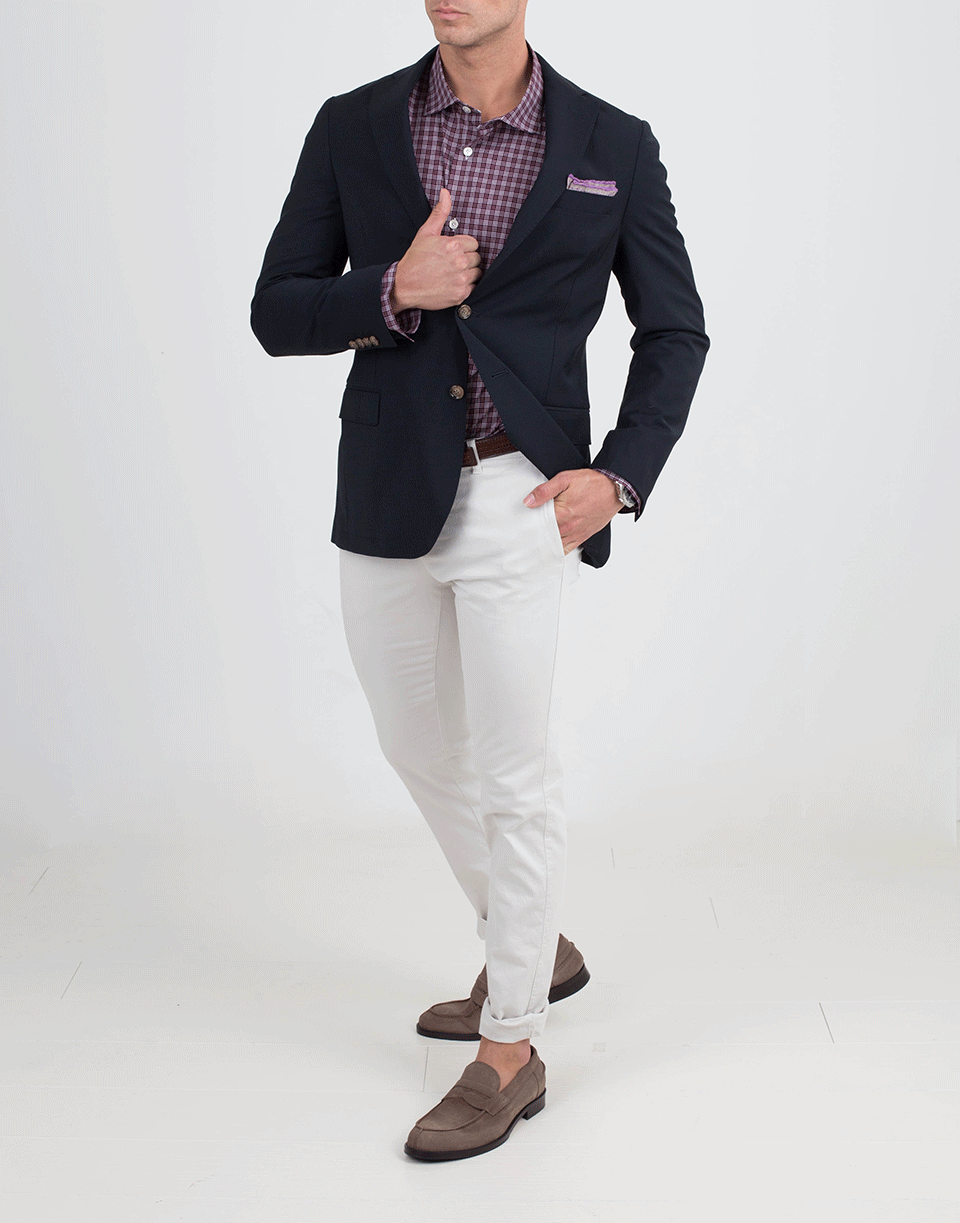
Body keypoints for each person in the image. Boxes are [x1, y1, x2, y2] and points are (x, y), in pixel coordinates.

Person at [250, 0, 708, 1162]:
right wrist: (391, 288)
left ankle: (512, 1044)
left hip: (524, 495)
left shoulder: (611, 143)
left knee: (514, 769)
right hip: (388, 488)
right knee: (413, 741)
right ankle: (533, 938)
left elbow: (675, 332)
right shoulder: (354, 124)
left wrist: (621, 477)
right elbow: (277, 308)